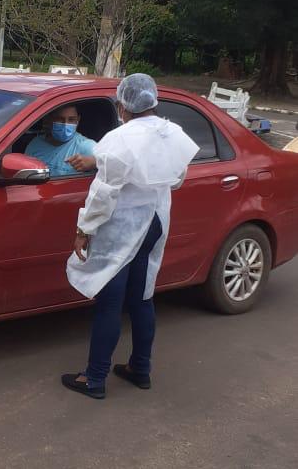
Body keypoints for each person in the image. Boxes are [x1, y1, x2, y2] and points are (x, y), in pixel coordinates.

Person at [61, 73, 198, 400]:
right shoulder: (173, 134)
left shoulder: (118, 138)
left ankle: (94, 379)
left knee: (110, 300)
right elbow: (176, 179)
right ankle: (140, 367)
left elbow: (104, 192)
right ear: (152, 101)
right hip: (155, 222)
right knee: (142, 296)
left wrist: (84, 229)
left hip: (123, 225)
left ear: (123, 105)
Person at [25, 104, 97, 178]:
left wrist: (94, 162)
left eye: (71, 119)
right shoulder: (36, 144)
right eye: (59, 119)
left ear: (78, 120)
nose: (66, 124)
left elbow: (108, 165)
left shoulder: (86, 146)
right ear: (49, 119)